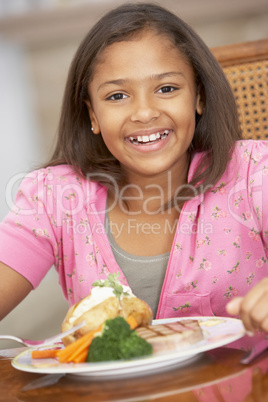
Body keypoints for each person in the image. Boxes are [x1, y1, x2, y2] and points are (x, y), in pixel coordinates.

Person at [0, 2, 267, 340]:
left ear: (198, 96)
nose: (144, 112)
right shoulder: (54, 195)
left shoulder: (255, 173)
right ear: (92, 115)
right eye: (117, 95)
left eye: (167, 89)